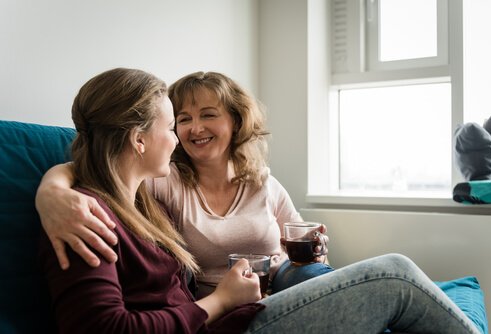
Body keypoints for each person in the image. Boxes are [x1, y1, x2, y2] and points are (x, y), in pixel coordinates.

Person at [39, 67, 481, 334]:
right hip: (230, 317)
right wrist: (52, 194)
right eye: (174, 125)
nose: (180, 137)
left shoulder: (140, 206)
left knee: (375, 278)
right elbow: (101, 328)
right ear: (139, 139)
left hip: (249, 306)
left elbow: (97, 164)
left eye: (202, 117)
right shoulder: (92, 216)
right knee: (398, 274)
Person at [36, 71, 333, 297]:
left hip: (282, 285)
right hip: (220, 305)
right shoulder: (166, 179)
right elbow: (96, 167)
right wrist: (51, 192)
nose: (195, 128)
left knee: (324, 279)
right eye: (182, 119)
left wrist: (317, 251)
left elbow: (304, 249)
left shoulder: (263, 182)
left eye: (208, 115)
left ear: (236, 121)